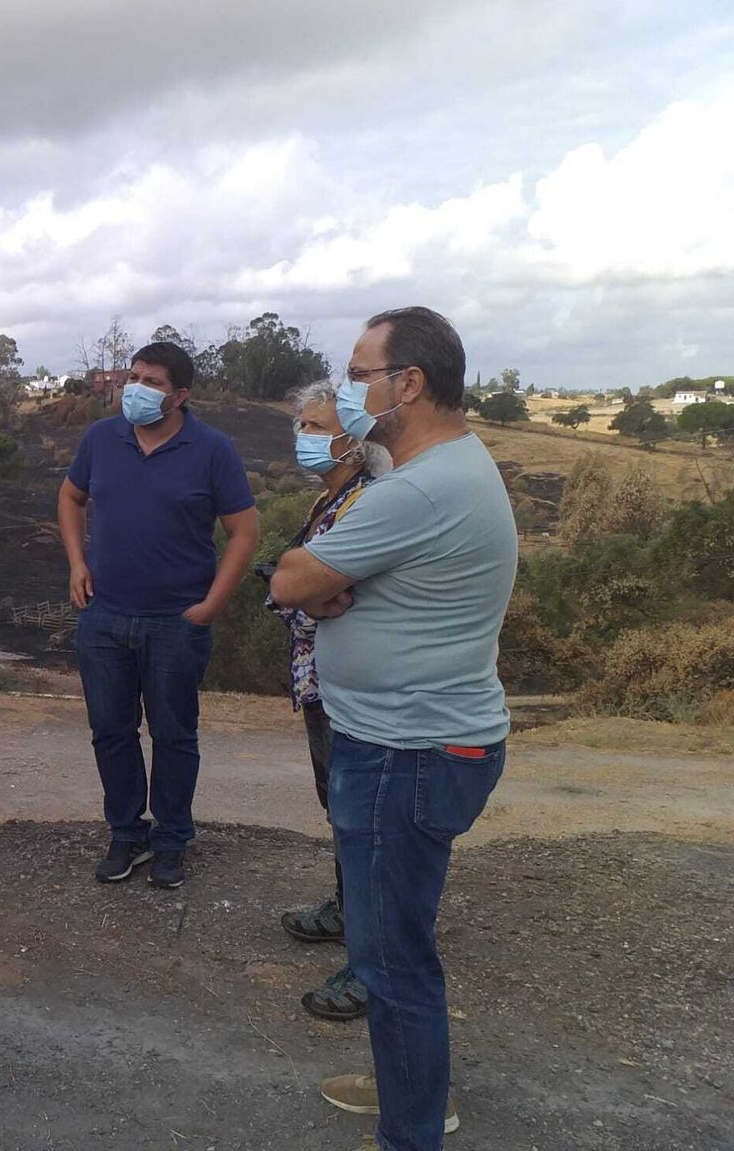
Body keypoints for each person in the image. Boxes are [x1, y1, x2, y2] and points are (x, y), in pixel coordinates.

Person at [271, 308, 515, 1151]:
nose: (346, 390)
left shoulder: (418, 489)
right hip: (417, 742)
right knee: (396, 943)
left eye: (357, 373)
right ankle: (411, 1091)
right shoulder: (450, 466)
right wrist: (328, 585)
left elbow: (291, 578)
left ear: (407, 383)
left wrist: (318, 584)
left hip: (404, 752)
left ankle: (413, 1129)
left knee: (391, 959)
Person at [59, 341, 260, 889]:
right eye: (134, 376)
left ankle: (172, 839)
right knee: (111, 732)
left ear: (180, 395)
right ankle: (127, 834)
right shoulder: (101, 439)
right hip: (103, 616)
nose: (136, 389)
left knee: (174, 735)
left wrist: (212, 605)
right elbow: (71, 497)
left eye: (151, 382)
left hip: (176, 622)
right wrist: (77, 562)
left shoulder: (212, 450)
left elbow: (245, 532)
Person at [267, 381, 391, 1023]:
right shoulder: (330, 497)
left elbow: (332, 592)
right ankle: (349, 913)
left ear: (355, 438)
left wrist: (295, 586)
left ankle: (376, 961)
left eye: (317, 426)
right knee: (339, 804)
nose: (304, 436)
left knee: (362, 814)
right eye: (303, 424)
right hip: (322, 677)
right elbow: (306, 586)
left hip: (350, 680)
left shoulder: (368, 501)